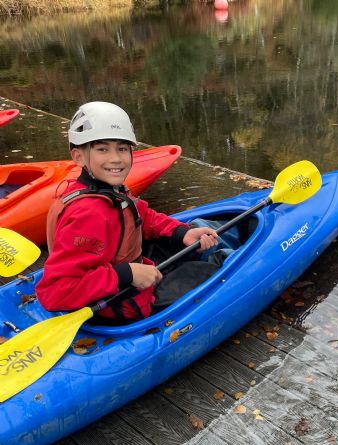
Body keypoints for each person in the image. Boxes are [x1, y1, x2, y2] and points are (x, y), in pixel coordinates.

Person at [35, 101, 219, 322]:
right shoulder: (88, 214)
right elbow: (55, 292)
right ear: (78, 156)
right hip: (119, 306)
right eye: (102, 149)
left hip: (123, 274)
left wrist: (182, 233)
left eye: (122, 148)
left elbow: (142, 215)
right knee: (211, 272)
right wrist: (126, 274)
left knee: (182, 246)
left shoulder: (108, 191)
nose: (115, 158)